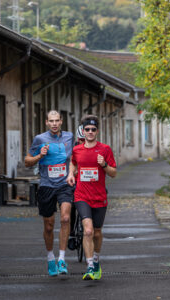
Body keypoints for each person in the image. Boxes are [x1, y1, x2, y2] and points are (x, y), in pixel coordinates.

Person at [67, 115, 117, 280]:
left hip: (99, 196)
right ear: (83, 130)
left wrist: (104, 165)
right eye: (87, 129)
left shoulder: (105, 149)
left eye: (93, 129)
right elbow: (73, 162)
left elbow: (114, 173)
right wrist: (70, 174)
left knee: (96, 232)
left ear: (97, 131)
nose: (90, 132)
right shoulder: (77, 149)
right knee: (87, 230)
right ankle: (89, 267)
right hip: (81, 195)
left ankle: (96, 260)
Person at [25, 110, 74, 277]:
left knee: (66, 218)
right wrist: (40, 155)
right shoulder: (40, 139)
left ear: (61, 122)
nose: (54, 123)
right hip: (46, 186)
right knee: (49, 225)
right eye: (51, 121)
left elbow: (75, 156)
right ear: (46, 122)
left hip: (64, 185)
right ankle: (50, 257)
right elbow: (27, 161)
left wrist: (72, 173)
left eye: (57, 120)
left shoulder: (69, 137)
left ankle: (62, 259)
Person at [68, 125, 85, 250]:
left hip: (89, 183)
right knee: (72, 205)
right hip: (76, 181)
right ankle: (72, 234)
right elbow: (69, 164)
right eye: (81, 140)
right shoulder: (73, 148)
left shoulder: (96, 147)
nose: (83, 143)